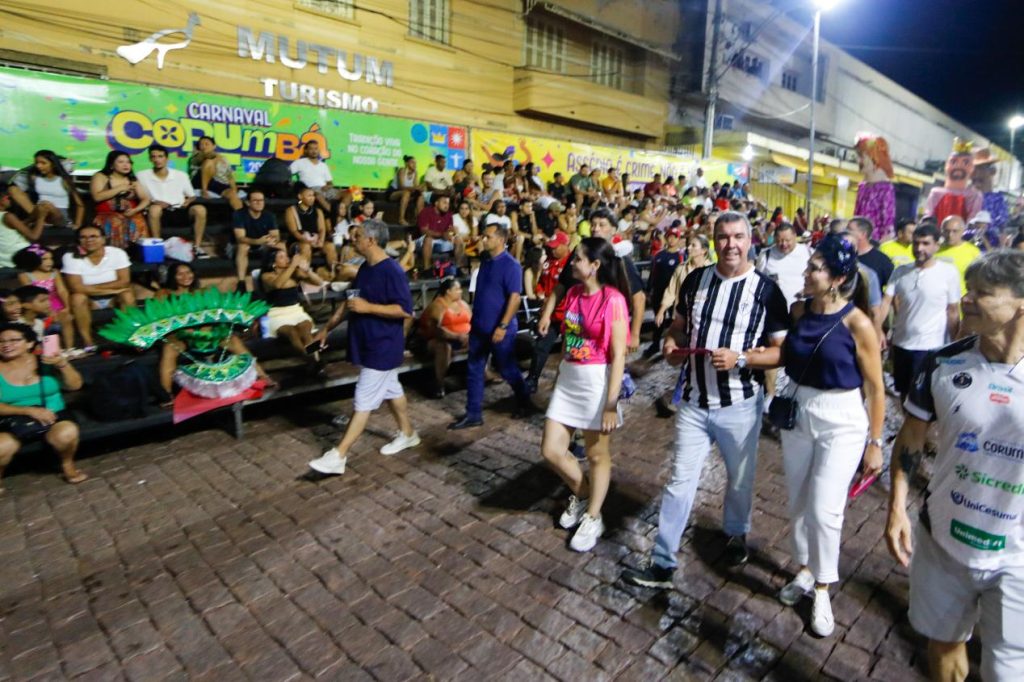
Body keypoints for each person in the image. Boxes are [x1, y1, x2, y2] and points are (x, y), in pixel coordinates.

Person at [621, 211, 790, 588]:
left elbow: (782, 352)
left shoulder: (767, 291)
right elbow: (680, 326)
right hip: (694, 403)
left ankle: (735, 533)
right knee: (680, 482)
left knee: (739, 481)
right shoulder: (696, 279)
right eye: (723, 237)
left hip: (741, 405)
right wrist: (670, 343)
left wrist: (741, 358)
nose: (730, 244)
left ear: (750, 241)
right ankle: (662, 561)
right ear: (714, 241)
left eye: (738, 237)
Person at [886, 250, 1024, 682]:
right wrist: (896, 506)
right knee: (943, 645)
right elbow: (911, 438)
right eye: (968, 289)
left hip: (1017, 556)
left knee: (1008, 669)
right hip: (944, 539)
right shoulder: (943, 364)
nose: (967, 299)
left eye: (983, 293)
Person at [774, 234, 885, 637]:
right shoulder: (800, 310)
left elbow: (875, 388)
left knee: (825, 508)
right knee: (799, 501)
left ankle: (823, 586)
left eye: (815, 267)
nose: (806, 272)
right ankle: (804, 568)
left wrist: (876, 442)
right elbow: (786, 357)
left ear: (837, 278)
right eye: (808, 266)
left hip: (842, 419)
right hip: (800, 412)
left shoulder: (858, 324)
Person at [540, 237, 630, 552]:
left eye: (578, 258)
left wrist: (610, 403)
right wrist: (561, 374)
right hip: (570, 378)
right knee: (551, 450)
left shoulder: (613, 300)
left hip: (596, 381)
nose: (572, 262)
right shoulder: (575, 293)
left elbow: (619, 355)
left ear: (594, 265)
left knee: (596, 454)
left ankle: (594, 514)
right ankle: (582, 493)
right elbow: (570, 338)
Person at [309, 220, 418, 475]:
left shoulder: (392, 270)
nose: (352, 240)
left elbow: (405, 310)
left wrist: (369, 308)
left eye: (357, 236)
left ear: (371, 240)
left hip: (384, 345)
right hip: (368, 342)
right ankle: (409, 433)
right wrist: (326, 329)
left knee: (363, 400)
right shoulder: (364, 269)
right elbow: (349, 302)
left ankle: (339, 455)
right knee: (392, 389)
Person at [449, 223, 532, 430]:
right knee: (474, 369)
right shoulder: (486, 260)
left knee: (507, 368)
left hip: (499, 328)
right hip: (479, 327)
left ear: (501, 240)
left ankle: (524, 400)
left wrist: (502, 326)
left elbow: (514, 298)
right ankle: (473, 413)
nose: (483, 239)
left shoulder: (511, 265)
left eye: (488, 237)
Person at [878, 223, 961, 399]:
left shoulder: (948, 273)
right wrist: (877, 329)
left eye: (925, 243)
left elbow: (952, 311)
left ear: (937, 245)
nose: (919, 248)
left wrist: (956, 343)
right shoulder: (900, 271)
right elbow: (886, 302)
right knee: (903, 391)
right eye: (916, 243)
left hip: (929, 347)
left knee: (922, 398)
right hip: (901, 343)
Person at [0, 322, 86, 489]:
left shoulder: (46, 361)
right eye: (1, 341)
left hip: (53, 414)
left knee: (66, 434)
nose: (6, 345)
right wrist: (28, 410)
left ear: (30, 343)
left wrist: (62, 364)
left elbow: (75, 385)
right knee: (2, 447)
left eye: (13, 340)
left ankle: (67, 464)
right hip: (11, 419)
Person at [62, 226, 135, 351]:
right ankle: (88, 342)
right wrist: (111, 289)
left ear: (103, 239)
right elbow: (76, 287)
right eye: (83, 237)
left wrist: (90, 288)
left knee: (127, 295)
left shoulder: (117, 253)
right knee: (77, 298)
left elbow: (124, 281)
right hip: (89, 300)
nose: (88, 240)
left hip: (114, 298)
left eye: (93, 236)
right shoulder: (70, 256)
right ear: (78, 240)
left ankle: (128, 336)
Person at [137, 143, 210, 257]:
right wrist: (154, 202)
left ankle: (197, 247)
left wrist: (188, 201)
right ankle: (158, 246)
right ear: (150, 159)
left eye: (160, 156)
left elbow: (191, 195)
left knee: (200, 209)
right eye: (154, 157)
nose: (157, 160)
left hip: (179, 209)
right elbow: (139, 196)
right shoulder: (141, 175)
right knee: (154, 209)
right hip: (158, 212)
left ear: (166, 158)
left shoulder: (181, 175)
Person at [259, 249, 324, 373]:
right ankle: (313, 361)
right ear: (273, 263)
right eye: (282, 257)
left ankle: (315, 360)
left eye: (287, 256)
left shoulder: (294, 273)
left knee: (306, 331)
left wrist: (307, 270)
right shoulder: (266, 276)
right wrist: (293, 265)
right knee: (292, 333)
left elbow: (319, 282)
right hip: (277, 314)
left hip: (296, 311)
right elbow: (278, 284)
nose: (287, 259)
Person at [525, 230, 572, 394]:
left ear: (565, 245)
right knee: (540, 347)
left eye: (555, 247)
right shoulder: (548, 263)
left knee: (570, 351)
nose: (552, 250)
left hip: (567, 314)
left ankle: (566, 386)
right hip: (550, 315)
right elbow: (541, 283)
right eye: (550, 247)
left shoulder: (572, 263)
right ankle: (532, 379)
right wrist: (540, 292)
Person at [13, 245, 74, 350]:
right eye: (44, 259)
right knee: (48, 324)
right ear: (33, 260)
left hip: (55, 303)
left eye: (51, 258)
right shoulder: (25, 275)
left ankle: (69, 349)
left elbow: (62, 290)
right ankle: (53, 350)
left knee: (66, 317)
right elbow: (31, 294)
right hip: (38, 305)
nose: (49, 262)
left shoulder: (54, 272)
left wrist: (67, 307)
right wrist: (48, 311)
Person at [420, 277, 470, 398]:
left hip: (462, 338)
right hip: (436, 341)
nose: (460, 291)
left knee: (483, 340)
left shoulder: (463, 304)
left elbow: (472, 321)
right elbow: (437, 330)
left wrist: (468, 336)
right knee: (444, 347)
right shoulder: (438, 306)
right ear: (448, 291)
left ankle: (484, 374)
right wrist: (457, 336)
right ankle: (439, 384)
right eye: (457, 289)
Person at [89, 151, 150, 250]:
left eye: (128, 162)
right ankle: (115, 252)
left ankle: (135, 252)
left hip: (130, 213)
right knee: (116, 220)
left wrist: (135, 210)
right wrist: (119, 188)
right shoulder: (101, 176)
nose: (126, 165)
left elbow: (145, 199)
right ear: (112, 164)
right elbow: (97, 197)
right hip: (107, 214)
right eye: (121, 162)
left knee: (137, 220)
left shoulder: (132, 179)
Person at [8, 150, 84, 228]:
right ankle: (34, 222)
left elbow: (80, 205)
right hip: (40, 214)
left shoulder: (64, 178)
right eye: (37, 163)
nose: (39, 166)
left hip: (59, 217)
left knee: (47, 205)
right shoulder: (33, 176)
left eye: (43, 163)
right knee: (14, 190)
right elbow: (14, 188)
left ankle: (25, 223)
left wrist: (78, 224)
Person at [644, 226, 685, 358]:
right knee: (658, 319)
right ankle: (655, 344)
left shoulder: (681, 256)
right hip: (659, 293)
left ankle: (673, 344)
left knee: (674, 320)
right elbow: (653, 273)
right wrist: (649, 290)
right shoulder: (659, 255)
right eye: (670, 236)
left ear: (678, 239)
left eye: (675, 236)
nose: (671, 239)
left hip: (673, 295)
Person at [232, 190, 284, 290]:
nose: (259, 203)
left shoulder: (269, 215)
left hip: (262, 244)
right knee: (243, 246)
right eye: (255, 200)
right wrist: (257, 241)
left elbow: (276, 235)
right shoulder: (239, 214)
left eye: (261, 200)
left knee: (280, 245)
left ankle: (282, 277)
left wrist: (270, 240)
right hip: (239, 246)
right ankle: (241, 284)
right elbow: (240, 238)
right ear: (248, 203)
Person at [284, 183, 337, 272]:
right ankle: (305, 274)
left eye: (313, 195)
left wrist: (320, 241)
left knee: (330, 246)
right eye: (309, 196)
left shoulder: (318, 211)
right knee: (306, 247)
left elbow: (322, 229)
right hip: (298, 242)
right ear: (300, 196)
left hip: (315, 240)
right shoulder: (291, 210)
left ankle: (334, 272)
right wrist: (308, 241)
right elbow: (294, 231)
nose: (312, 198)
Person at [0, 184, 48, 268]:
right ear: (2, 200)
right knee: (49, 255)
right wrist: (42, 217)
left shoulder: (6, 217)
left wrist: (32, 217)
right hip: (21, 254)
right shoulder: (8, 216)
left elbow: (14, 227)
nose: (10, 200)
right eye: (8, 198)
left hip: (4, 257)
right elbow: (34, 236)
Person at [289, 140, 342, 216]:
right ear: (306, 150)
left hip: (324, 189)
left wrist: (328, 186)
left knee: (348, 194)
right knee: (317, 195)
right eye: (311, 149)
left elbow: (330, 182)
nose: (314, 151)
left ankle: (342, 213)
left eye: (316, 148)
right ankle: (335, 215)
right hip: (310, 189)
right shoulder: (299, 162)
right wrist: (294, 183)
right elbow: (287, 173)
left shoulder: (323, 165)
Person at [190, 136, 242, 210]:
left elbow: (230, 176)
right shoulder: (197, 155)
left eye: (206, 144)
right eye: (201, 144)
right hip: (199, 181)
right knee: (209, 162)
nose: (203, 146)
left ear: (214, 146)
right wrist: (217, 157)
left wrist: (234, 190)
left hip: (217, 183)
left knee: (232, 194)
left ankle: (242, 217)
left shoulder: (223, 159)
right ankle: (204, 191)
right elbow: (208, 157)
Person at [937, 215, 981, 295]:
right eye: (947, 231)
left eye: (955, 231)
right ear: (941, 231)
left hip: (960, 301)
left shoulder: (973, 252)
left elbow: (979, 278)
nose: (950, 235)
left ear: (963, 231)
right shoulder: (935, 249)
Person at [848, 216, 894, 288]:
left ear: (863, 234)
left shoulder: (882, 261)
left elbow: (892, 286)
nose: (845, 233)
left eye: (849, 230)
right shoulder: (845, 255)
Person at [416, 194, 455, 272]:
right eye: (444, 203)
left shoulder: (449, 214)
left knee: (458, 239)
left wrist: (452, 233)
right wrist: (442, 234)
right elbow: (424, 231)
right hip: (422, 240)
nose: (447, 205)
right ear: (436, 203)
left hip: (441, 240)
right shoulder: (426, 211)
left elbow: (449, 231)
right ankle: (427, 269)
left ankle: (458, 267)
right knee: (428, 239)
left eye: (448, 203)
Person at [389, 155, 424, 226]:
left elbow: (415, 186)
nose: (415, 164)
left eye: (415, 163)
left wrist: (420, 188)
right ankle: (401, 219)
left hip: (407, 193)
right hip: (393, 193)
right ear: (407, 163)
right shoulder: (402, 170)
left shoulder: (415, 173)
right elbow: (401, 187)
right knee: (406, 193)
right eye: (412, 162)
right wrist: (415, 188)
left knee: (421, 196)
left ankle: (419, 220)